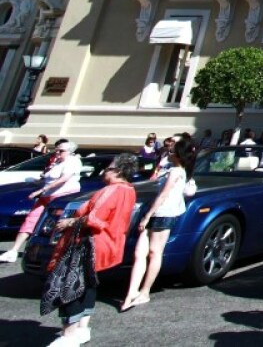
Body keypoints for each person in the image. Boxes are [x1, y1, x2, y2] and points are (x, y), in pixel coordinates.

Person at [41, 153, 138, 347]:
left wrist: (70, 221)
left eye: (109, 168)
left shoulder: (112, 190)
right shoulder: (129, 190)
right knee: (88, 284)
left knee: (70, 285)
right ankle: (82, 329)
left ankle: (69, 335)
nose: (104, 171)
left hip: (89, 242)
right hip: (107, 244)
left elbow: (96, 218)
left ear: (118, 170)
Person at [122, 141, 195, 309]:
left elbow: (163, 195)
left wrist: (147, 216)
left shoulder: (176, 171)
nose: (168, 152)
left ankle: (145, 291)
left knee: (155, 253)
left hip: (163, 214)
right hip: (157, 212)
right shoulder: (172, 169)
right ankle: (132, 291)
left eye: (172, 150)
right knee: (140, 252)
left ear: (178, 155)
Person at [2, 140, 82, 263]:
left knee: (56, 224)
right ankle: (13, 251)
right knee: (31, 220)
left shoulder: (73, 162)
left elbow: (64, 178)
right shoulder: (57, 162)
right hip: (47, 196)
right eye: (56, 150)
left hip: (62, 195)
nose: (58, 153)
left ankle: (58, 252)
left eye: (61, 151)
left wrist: (42, 190)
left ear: (70, 152)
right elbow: (47, 177)